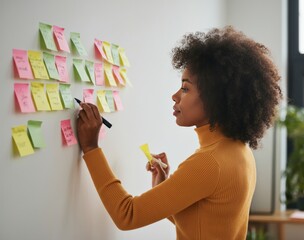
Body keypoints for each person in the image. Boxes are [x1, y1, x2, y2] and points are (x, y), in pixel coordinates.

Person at [76, 26, 282, 240]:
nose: (175, 96)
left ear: (215, 99)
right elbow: (201, 221)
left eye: (185, 88)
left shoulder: (209, 162)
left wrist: (91, 149)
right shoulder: (238, 150)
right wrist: (164, 186)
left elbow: (127, 215)